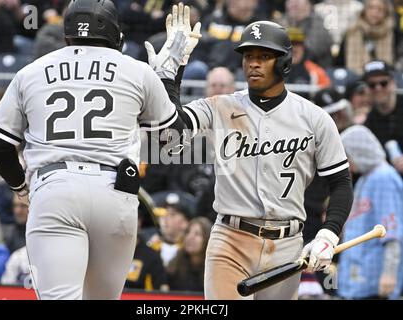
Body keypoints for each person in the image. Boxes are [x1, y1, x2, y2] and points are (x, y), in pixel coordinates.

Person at [0, 0, 199, 300]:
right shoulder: (136, 70)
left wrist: (21, 186)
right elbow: (174, 142)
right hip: (115, 192)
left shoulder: (31, 71)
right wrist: (168, 78)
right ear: (116, 35)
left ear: (66, 34)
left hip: (54, 187)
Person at [150, 20, 353, 299]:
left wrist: (328, 235)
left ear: (284, 62)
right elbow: (168, 136)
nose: (254, 64)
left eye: (264, 56)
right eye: (249, 56)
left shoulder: (314, 118)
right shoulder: (219, 106)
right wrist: (169, 77)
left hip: (287, 245)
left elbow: (341, 182)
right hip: (231, 240)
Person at [337, 125, 403, 300]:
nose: (348, 163)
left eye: (348, 155)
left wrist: (389, 274)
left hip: (375, 279)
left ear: (360, 151)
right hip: (357, 278)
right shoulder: (365, 179)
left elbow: (392, 231)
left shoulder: (384, 178)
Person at [362, 60, 403, 176]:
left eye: (383, 83)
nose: (378, 88)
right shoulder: (368, 122)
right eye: (372, 85)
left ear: (393, 83)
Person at [167, 217, 212, 292]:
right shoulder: (174, 266)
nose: (190, 237)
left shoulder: (213, 270)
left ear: (207, 239)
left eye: (197, 234)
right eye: (188, 232)